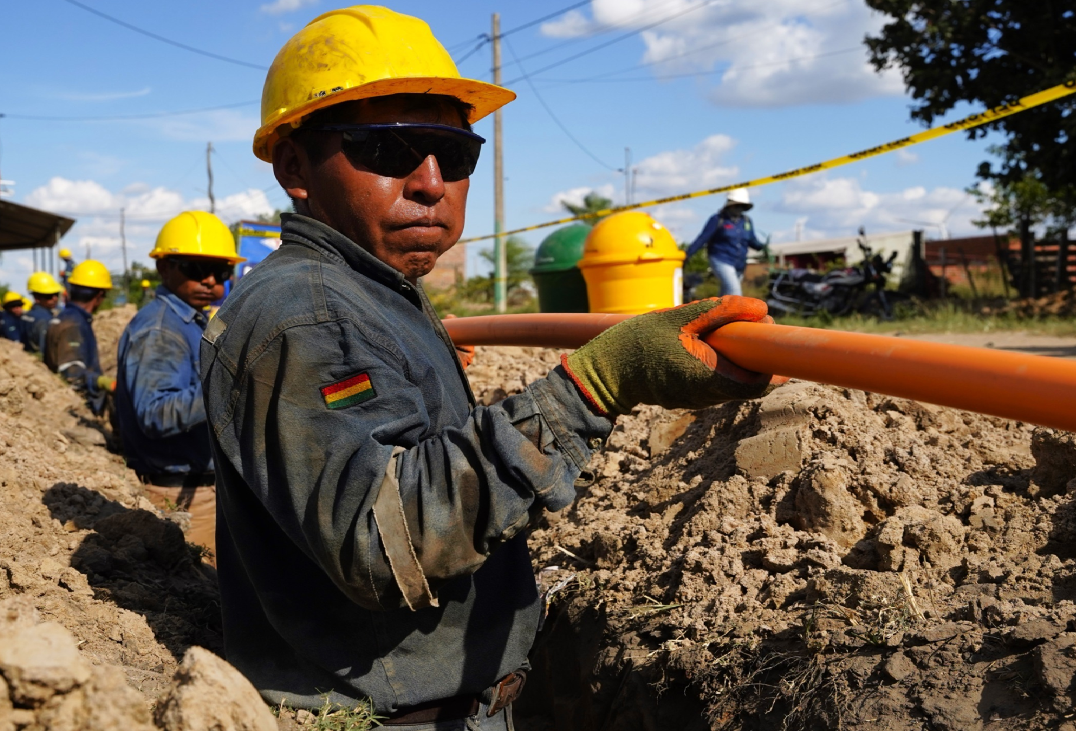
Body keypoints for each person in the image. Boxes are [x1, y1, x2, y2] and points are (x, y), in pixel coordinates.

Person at [199, 6, 784, 727]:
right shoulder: (308, 315)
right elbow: (387, 540)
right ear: (295, 166)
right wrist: (598, 384)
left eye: (456, 153)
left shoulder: (372, 292)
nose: (431, 180)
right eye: (389, 149)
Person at [115, 211, 241, 558]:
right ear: (164, 267)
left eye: (222, 272)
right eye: (196, 269)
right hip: (181, 493)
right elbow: (155, 413)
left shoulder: (187, 320)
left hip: (198, 487)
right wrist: (231, 388)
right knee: (203, 589)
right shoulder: (161, 330)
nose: (211, 281)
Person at [45, 260, 114, 415]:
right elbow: (71, 373)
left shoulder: (67, 318)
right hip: (76, 411)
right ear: (99, 295)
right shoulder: (74, 325)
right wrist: (104, 383)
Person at [685, 188, 767, 297]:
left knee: (725, 297)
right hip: (721, 259)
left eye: (742, 206)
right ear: (730, 205)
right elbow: (703, 238)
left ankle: (716, 313)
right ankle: (740, 314)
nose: (739, 209)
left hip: (739, 264)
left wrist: (762, 247)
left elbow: (751, 240)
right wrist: (688, 253)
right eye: (737, 205)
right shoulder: (717, 219)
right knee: (735, 292)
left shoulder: (746, 221)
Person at [21, 272, 64, 354]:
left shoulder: (25, 316)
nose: (54, 299)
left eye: (56, 294)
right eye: (49, 296)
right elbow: (46, 352)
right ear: (37, 297)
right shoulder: (45, 320)